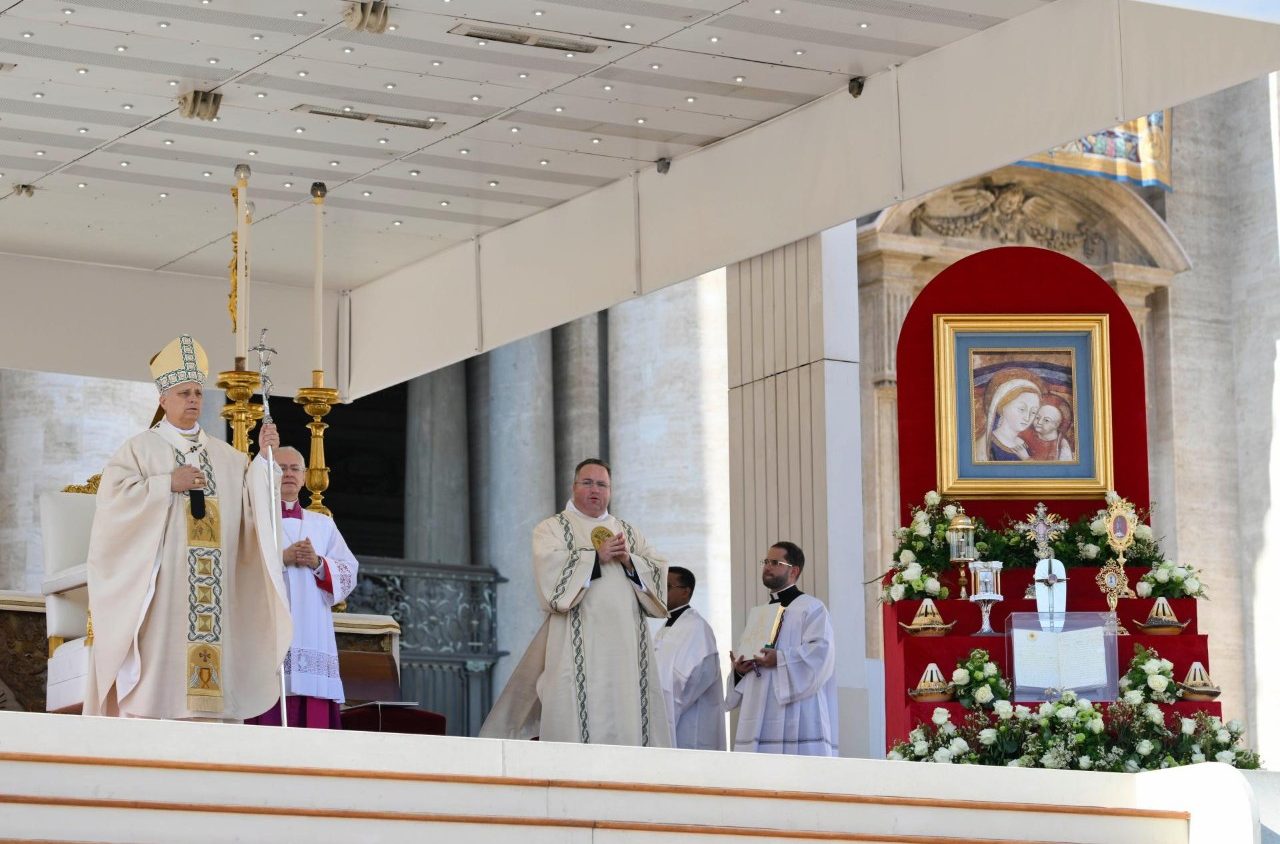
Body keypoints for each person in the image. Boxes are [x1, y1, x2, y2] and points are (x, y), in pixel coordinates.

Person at [84, 334, 291, 721]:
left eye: (197, 393)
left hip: (216, 590)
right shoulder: (139, 450)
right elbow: (114, 506)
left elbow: (254, 513)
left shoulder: (228, 458)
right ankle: (153, 715)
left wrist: (265, 462)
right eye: (184, 393)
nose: (194, 400)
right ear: (163, 399)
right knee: (162, 670)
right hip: (164, 589)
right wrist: (167, 484)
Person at [480, 458, 672, 747]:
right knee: (576, 705)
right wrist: (595, 557)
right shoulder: (552, 529)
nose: (595, 490)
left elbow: (658, 568)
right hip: (575, 639)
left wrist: (629, 560)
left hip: (626, 644)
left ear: (610, 491)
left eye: (602, 484)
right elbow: (550, 575)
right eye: (588, 483)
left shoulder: (629, 533)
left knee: (626, 707)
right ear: (573, 486)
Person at [245, 446, 358, 729]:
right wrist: (281, 558)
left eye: (295, 468)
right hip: (268, 625)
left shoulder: (323, 525)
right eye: (281, 468)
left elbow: (348, 571)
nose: (288, 474)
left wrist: (319, 563)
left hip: (312, 629)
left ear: (305, 477)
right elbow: (240, 568)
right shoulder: (254, 521)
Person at [726, 541, 837, 756]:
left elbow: (821, 654)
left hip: (797, 710)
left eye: (775, 563)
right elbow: (749, 656)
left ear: (793, 571)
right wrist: (740, 670)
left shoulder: (811, 608)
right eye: (766, 562)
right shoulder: (759, 613)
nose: (767, 567)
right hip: (758, 706)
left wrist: (780, 659)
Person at [654, 566, 725, 751]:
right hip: (666, 710)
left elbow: (693, 677)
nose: (661, 591)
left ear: (686, 592)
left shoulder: (696, 628)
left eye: (667, 586)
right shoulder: (665, 628)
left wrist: (663, 706)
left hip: (690, 723)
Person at [974, 369, 1041, 461]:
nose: (1027, 418)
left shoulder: (1022, 444)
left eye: (1033, 412)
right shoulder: (986, 446)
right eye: (1022, 409)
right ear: (1003, 406)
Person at [1019, 393, 1074, 461]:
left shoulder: (1061, 445)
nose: (1039, 422)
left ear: (1056, 425)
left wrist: (1026, 458)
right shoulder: (1026, 433)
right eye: (1037, 417)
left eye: (1046, 420)